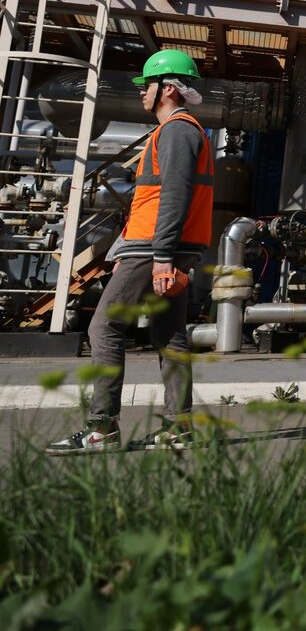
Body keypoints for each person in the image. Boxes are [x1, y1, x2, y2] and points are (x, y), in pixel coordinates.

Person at [48, 50, 214, 454]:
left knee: (104, 328)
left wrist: (159, 255)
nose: (142, 92)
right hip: (165, 246)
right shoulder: (187, 131)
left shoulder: (176, 131)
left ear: (169, 88)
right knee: (169, 336)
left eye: (148, 85)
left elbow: (173, 196)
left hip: (154, 247)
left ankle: (101, 428)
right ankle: (180, 428)